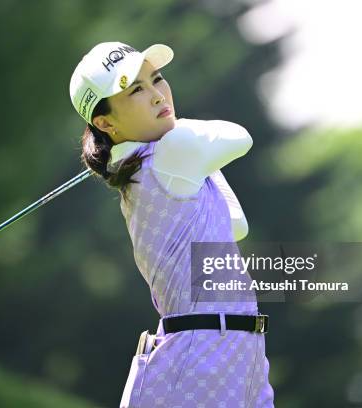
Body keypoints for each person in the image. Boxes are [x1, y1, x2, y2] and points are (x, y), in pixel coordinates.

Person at [69, 41, 274, 407]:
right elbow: (240, 136)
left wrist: (192, 150)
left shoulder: (157, 162)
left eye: (157, 79)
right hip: (202, 356)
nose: (157, 95)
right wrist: (175, 129)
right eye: (136, 90)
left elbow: (235, 224)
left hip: (237, 352)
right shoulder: (172, 151)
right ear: (105, 122)